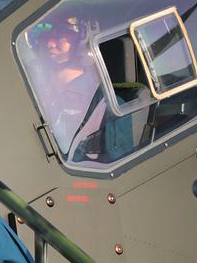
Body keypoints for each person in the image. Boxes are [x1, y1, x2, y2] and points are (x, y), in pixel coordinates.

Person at [34, 20, 134, 163]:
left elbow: (120, 162)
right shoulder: (36, 92)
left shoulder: (108, 105)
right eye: (48, 37)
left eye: (61, 36)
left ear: (81, 39)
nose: (50, 43)